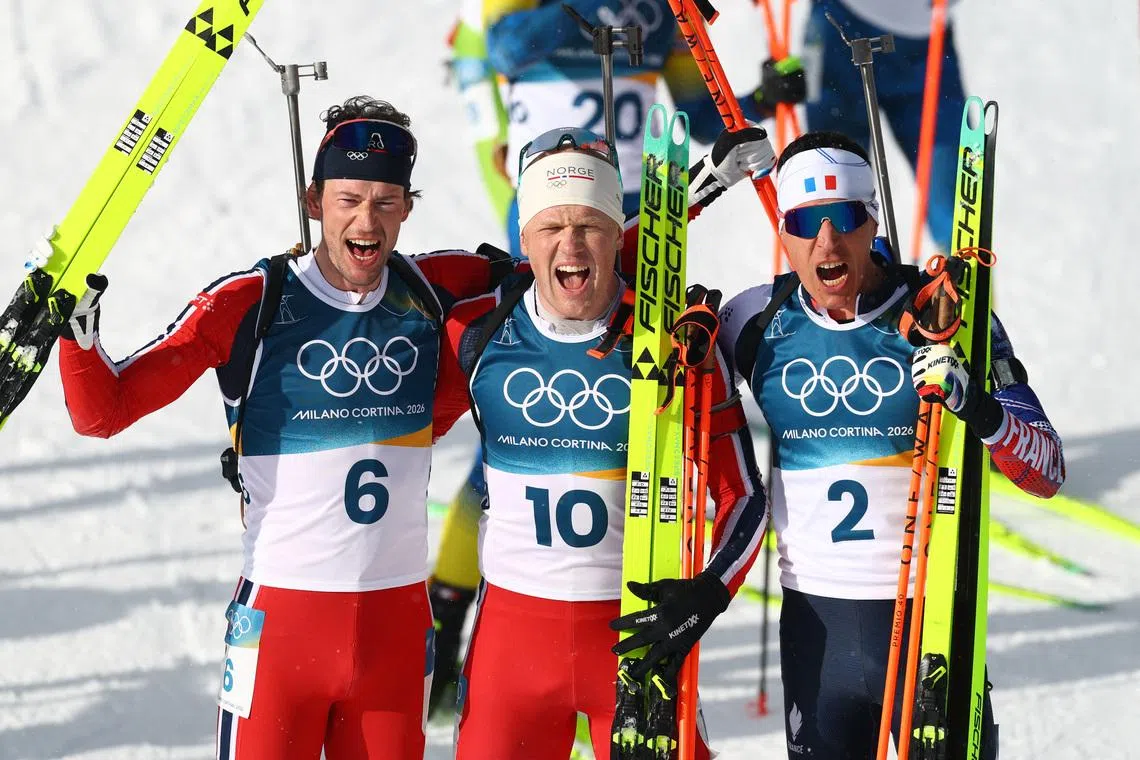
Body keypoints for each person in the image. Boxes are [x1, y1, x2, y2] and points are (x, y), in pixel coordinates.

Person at [56, 96, 519, 760]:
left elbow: (573, 256)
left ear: (408, 207)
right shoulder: (252, 303)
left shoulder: (435, 285)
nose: (367, 220)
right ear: (313, 199)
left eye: (387, 201)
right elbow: (104, 413)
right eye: (349, 198)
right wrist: (77, 336)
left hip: (394, 634)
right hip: (279, 632)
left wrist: (699, 188)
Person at [427, 0, 793, 713]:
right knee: (507, 443)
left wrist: (761, 99)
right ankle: (446, 632)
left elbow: (701, 109)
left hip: (643, 229)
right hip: (548, 215)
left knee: (619, 433)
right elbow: (502, 46)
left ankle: (612, 623)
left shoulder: (660, 13)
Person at [715, 131, 1066, 760]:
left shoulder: (949, 313)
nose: (826, 243)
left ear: (871, 219)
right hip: (814, 632)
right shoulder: (752, 321)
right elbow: (603, 303)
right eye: (805, 222)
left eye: (843, 218)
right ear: (783, 231)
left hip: (930, 622)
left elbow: (1046, 468)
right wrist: (703, 188)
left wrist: (977, 407)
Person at [802, 0, 967, 255]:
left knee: (957, 209)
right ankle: (819, 290)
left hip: (925, 42)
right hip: (839, 30)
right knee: (831, 195)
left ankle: (967, 286)